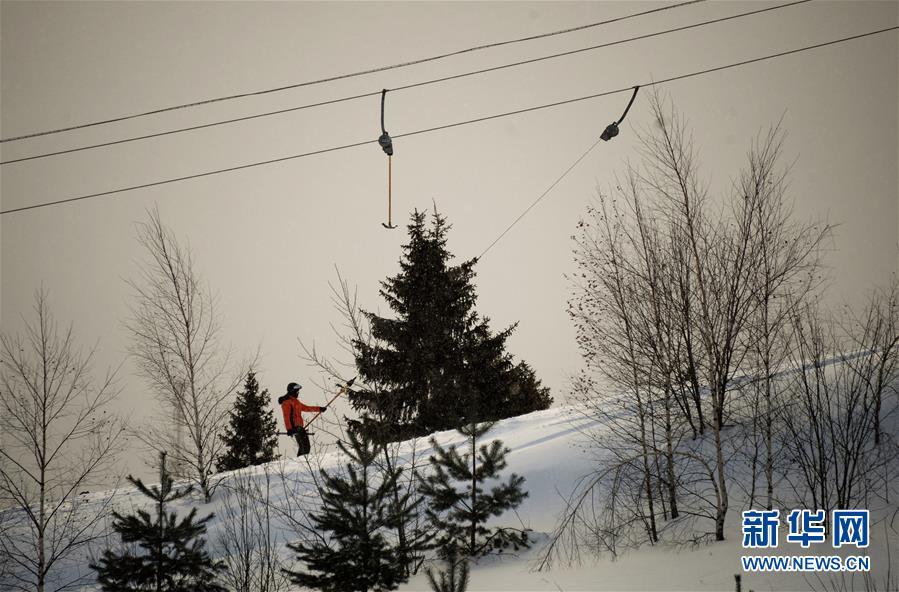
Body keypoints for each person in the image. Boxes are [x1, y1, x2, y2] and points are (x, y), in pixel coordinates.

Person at [277, 382, 327, 457]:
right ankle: (301, 462)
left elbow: (307, 408)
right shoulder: (286, 402)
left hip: (300, 427)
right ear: (292, 391)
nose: (298, 393)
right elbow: (286, 416)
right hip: (295, 428)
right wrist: (289, 429)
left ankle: (301, 462)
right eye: (297, 391)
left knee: (305, 448)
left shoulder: (296, 402)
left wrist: (319, 409)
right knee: (305, 448)